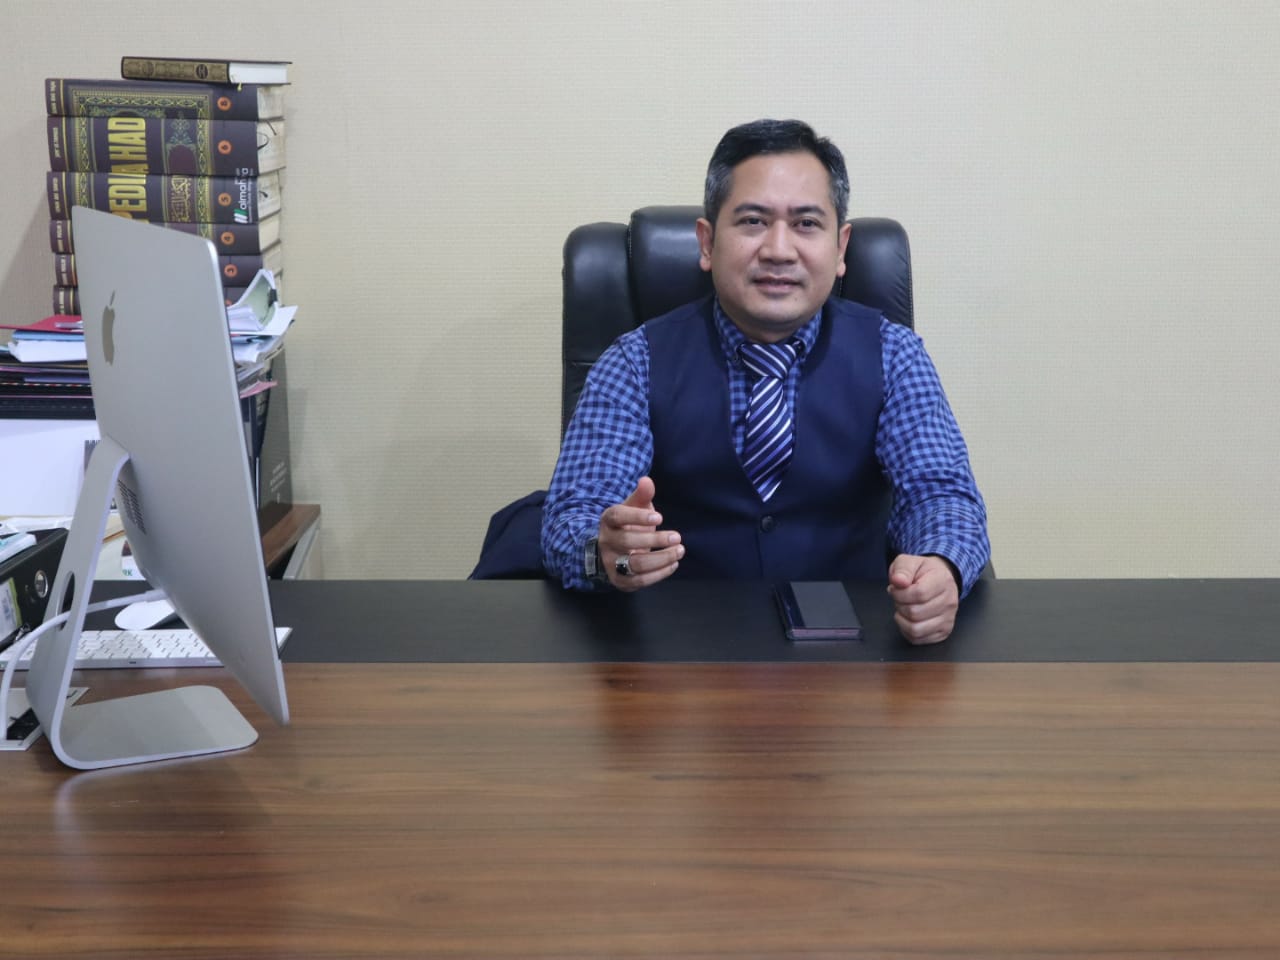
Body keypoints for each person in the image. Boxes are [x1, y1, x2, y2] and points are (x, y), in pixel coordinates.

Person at [541, 119, 989, 644]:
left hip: (854, 657)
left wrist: (940, 566)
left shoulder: (894, 355)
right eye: (753, 221)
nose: (779, 249)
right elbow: (573, 518)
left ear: (840, 249)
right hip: (676, 657)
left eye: (806, 223)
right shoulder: (634, 361)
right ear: (707, 242)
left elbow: (941, 493)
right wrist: (608, 555)